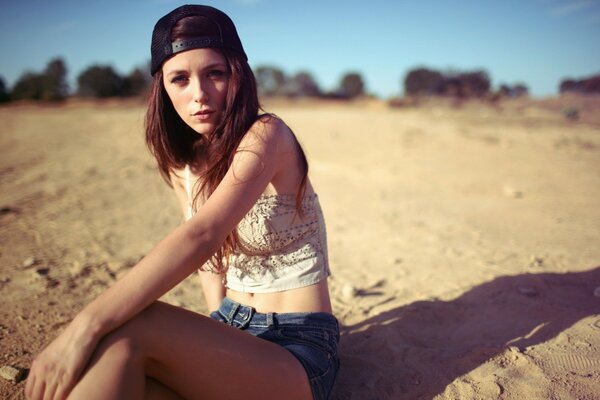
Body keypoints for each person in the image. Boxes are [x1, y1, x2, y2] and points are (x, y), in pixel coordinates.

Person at [24, 4, 339, 400]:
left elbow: (202, 236)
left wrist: (82, 327)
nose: (200, 95)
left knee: (133, 325)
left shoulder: (267, 134)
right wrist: (216, 329)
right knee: (112, 358)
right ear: (162, 88)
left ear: (238, 74)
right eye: (180, 79)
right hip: (231, 332)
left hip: (297, 349)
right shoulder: (184, 163)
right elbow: (212, 263)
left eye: (215, 74)